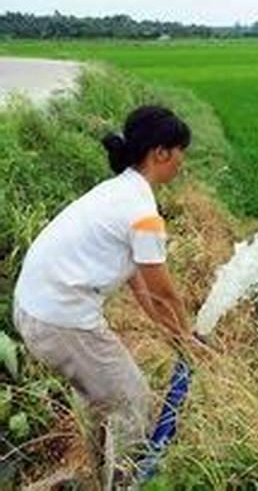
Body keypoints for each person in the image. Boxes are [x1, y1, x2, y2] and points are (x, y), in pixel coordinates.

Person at [12, 105, 206, 487]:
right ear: (160, 153)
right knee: (131, 398)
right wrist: (186, 341)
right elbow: (164, 292)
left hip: (34, 310)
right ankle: (127, 481)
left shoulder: (117, 190)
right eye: (180, 151)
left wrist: (175, 337)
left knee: (103, 401)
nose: (182, 162)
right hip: (61, 320)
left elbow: (139, 286)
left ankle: (100, 475)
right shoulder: (141, 212)